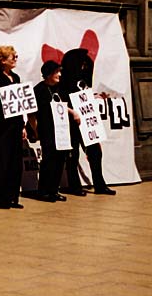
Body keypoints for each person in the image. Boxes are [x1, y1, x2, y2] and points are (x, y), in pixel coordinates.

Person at [60, 48, 116, 196]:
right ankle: (74, 186)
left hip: (86, 120)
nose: (85, 66)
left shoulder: (83, 78)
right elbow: (61, 101)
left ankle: (100, 184)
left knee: (95, 152)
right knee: (73, 154)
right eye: (82, 63)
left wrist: (94, 97)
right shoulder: (64, 79)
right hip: (72, 121)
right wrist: (72, 112)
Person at [0, 46, 25, 209]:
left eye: (16, 56)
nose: (15, 59)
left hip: (14, 124)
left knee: (15, 161)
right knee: (1, 160)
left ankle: (12, 196)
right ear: (2, 60)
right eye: (12, 57)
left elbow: (20, 102)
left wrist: (23, 125)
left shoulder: (15, 77)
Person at [28, 60, 69, 203]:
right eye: (57, 72)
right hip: (47, 130)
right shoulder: (39, 90)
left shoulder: (60, 88)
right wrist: (36, 130)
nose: (60, 74)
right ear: (49, 74)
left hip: (61, 130)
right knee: (48, 161)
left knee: (60, 160)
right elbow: (31, 114)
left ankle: (54, 190)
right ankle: (43, 191)